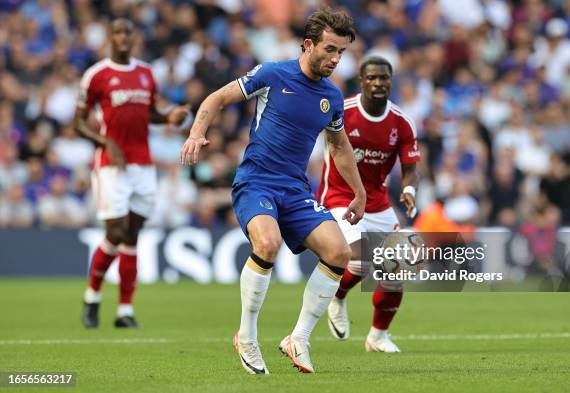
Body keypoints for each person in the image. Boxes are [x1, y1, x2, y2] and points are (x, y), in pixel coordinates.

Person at [180, 8, 365, 374]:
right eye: (330, 49)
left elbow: (340, 147)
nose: (335, 59)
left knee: (339, 253)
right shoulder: (272, 74)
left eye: (341, 52)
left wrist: (359, 193)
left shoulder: (331, 95)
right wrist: (196, 132)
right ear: (309, 44)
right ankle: (246, 335)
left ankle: (298, 338)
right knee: (266, 244)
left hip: (295, 190)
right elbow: (216, 99)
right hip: (257, 181)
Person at [76, 19, 189, 329]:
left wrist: (169, 116)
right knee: (115, 231)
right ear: (110, 38)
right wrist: (105, 141)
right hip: (112, 165)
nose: (124, 37)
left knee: (132, 236)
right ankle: (92, 296)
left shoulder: (145, 73)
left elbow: (148, 112)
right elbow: (78, 122)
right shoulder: (96, 75)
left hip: (143, 164)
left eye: (128, 32)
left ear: (134, 38)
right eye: (118, 32)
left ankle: (124, 310)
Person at [318, 57, 420, 352]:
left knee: (396, 269)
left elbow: (410, 165)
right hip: (340, 196)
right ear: (362, 81)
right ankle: (337, 297)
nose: (378, 83)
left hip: (378, 202)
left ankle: (377, 336)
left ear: (391, 81)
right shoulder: (343, 112)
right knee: (360, 259)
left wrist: (409, 188)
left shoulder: (401, 122)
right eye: (372, 78)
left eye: (384, 78)